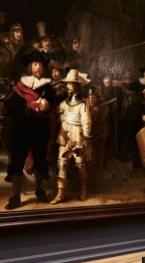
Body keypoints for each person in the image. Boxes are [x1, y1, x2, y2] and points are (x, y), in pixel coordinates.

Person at [0, 50, 57, 210]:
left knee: (39, 161)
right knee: (17, 163)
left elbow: (52, 103)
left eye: (40, 65)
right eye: (35, 64)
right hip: (21, 131)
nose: (38, 67)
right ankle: (15, 196)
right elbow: (10, 105)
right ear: (30, 67)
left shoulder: (47, 86)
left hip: (39, 129)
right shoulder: (19, 86)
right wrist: (1, 105)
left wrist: (44, 104)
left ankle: (39, 190)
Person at [51, 69, 92, 204]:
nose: (68, 86)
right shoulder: (64, 103)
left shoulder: (83, 105)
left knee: (80, 165)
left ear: (77, 86)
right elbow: (56, 111)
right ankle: (60, 193)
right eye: (67, 84)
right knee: (62, 164)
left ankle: (83, 188)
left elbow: (86, 122)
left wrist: (85, 139)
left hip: (77, 136)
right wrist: (62, 117)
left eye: (70, 84)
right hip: (64, 134)